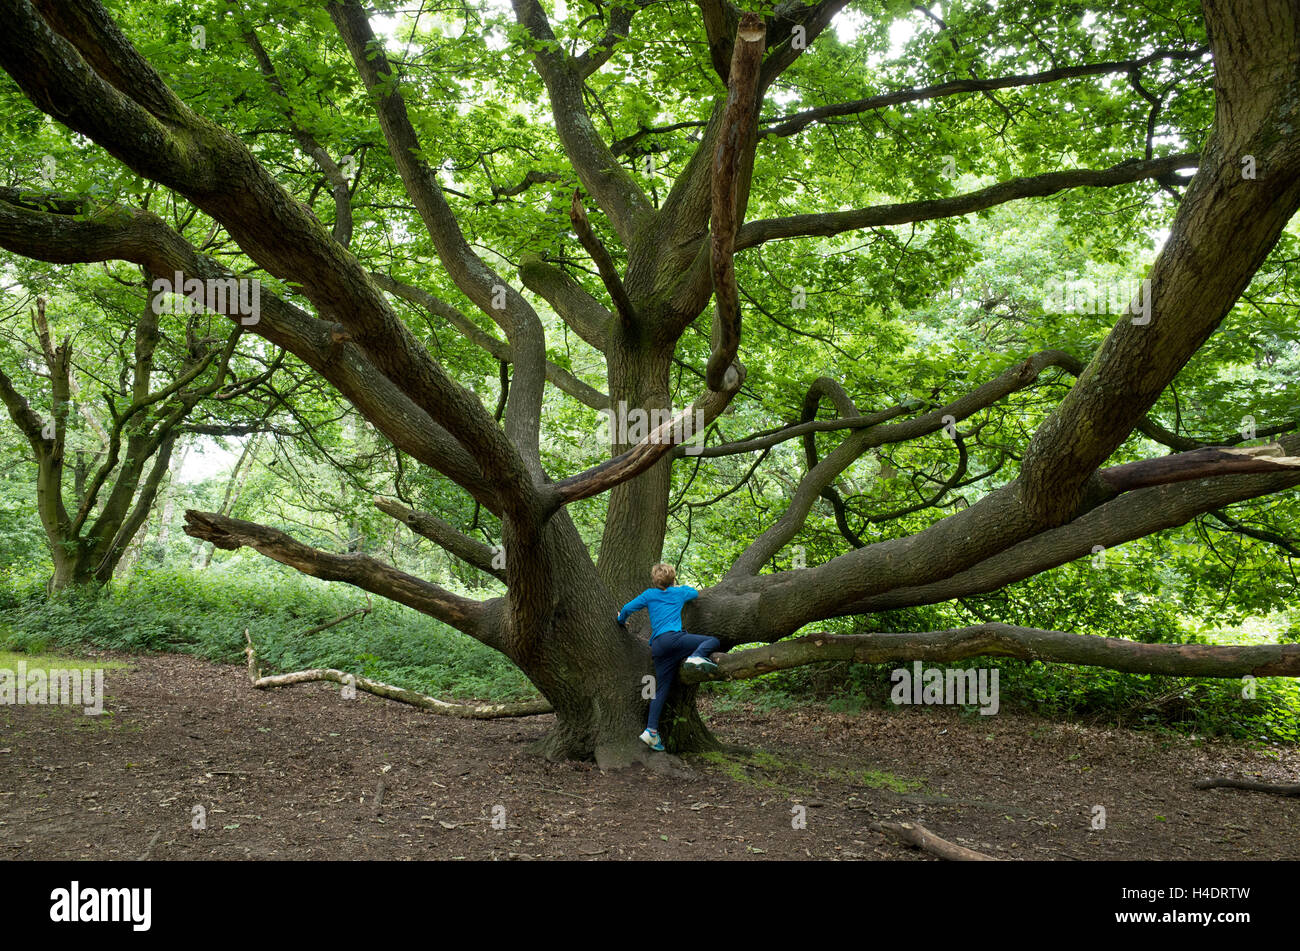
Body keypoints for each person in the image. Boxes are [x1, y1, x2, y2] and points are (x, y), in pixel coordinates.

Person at [617, 562, 720, 752]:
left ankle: (651, 731)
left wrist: (621, 621)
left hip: (658, 646)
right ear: (673, 579)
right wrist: (679, 587)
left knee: (661, 688)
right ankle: (697, 656)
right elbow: (695, 593)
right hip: (675, 639)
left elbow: (626, 609)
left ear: (655, 580)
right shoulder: (679, 592)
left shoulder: (649, 595)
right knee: (712, 641)